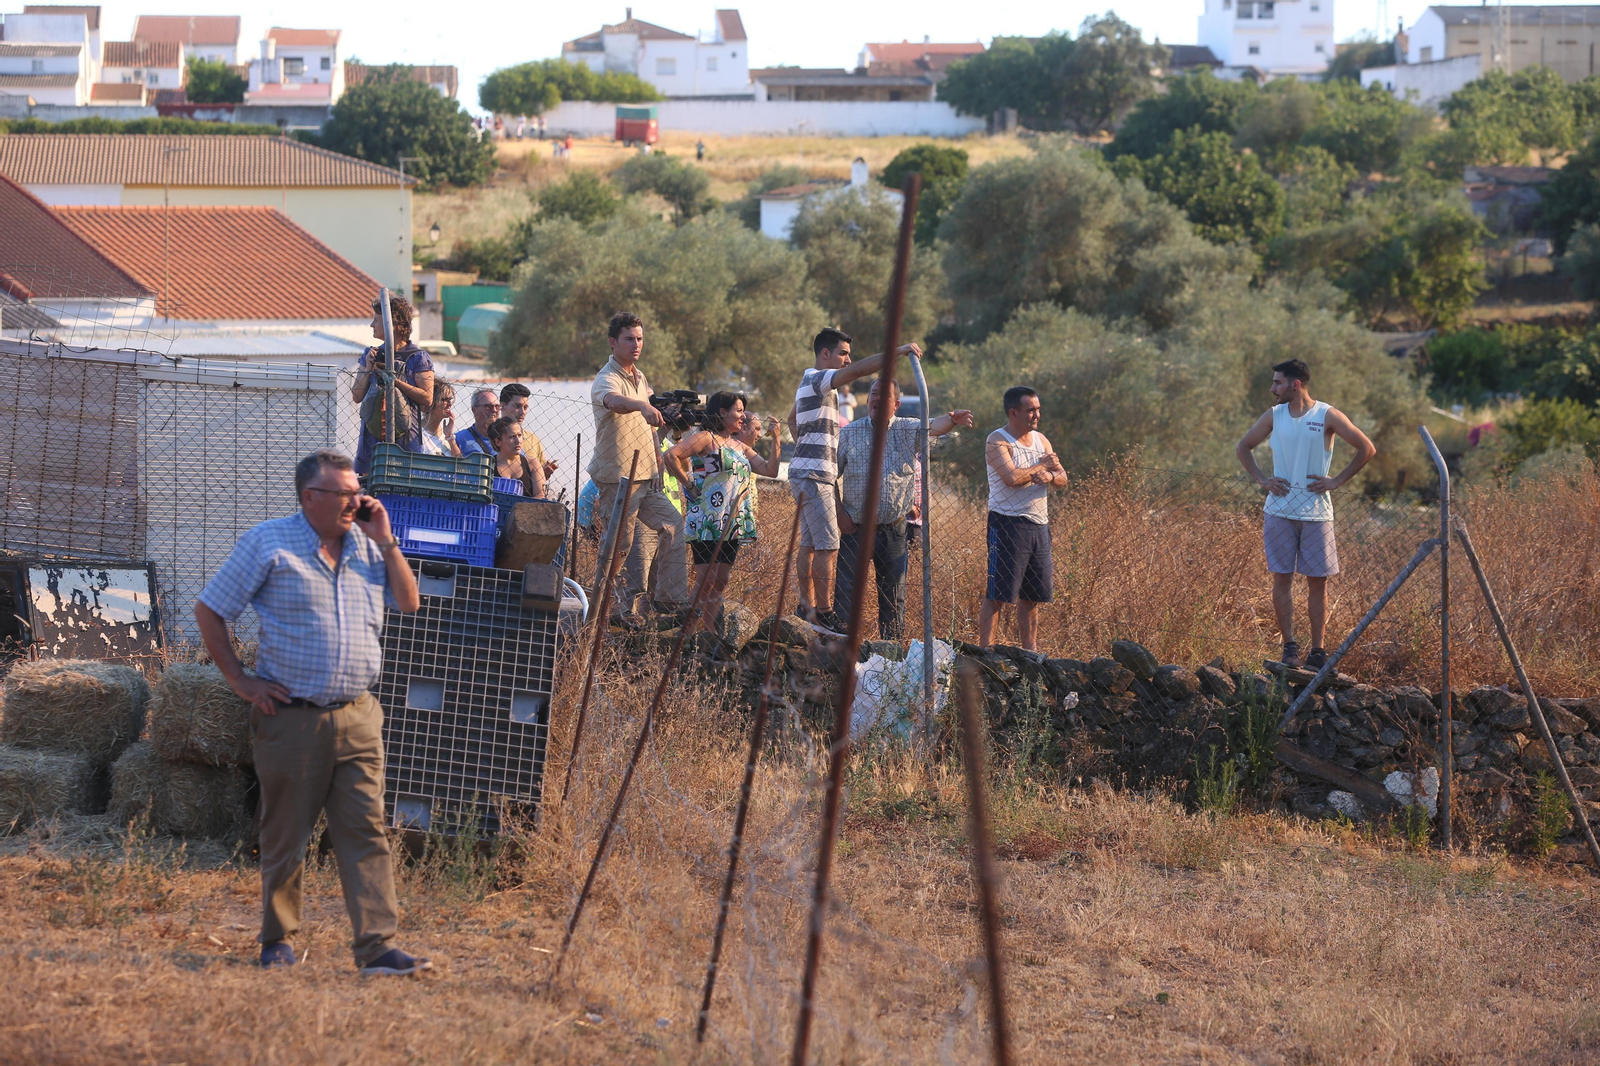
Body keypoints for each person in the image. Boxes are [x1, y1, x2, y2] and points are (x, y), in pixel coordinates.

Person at [192, 449, 427, 976]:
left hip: (360, 715)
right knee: (287, 834)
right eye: (344, 493)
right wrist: (239, 679)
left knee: (365, 831)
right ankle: (278, 941)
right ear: (309, 498)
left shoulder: (368, 544)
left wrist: (386, 537)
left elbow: (410, 602)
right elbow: (210, 609)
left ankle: (377, 947)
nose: (355, 501)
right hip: (292, 717)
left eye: (356, 491)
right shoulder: (268, 543)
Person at [1235, 358, 1377, 670]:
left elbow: (1366, 448)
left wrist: (1337, 480)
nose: (1273, 388)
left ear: (1295, 384)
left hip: (1317, 513)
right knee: (1281, 579)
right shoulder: (1274, 415)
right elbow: (1244, 447)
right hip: (1278, 512)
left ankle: (1317, 652)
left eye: (1277, 382)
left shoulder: (1327, 415)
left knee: (1318, 583)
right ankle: (1289, 647)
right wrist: (1262, 480)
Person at [784, 326, 921, 636]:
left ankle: (805, 606)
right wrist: (896, 352)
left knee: (808, 542)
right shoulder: (819, 379)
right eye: (843, 353)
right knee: (828, 546)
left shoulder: (808, 383)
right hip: (816, 476)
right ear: (825, 354)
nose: (848, 361)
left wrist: (804, 451)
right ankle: (823, 612)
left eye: (848, 355)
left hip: (806, 471)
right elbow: (860, 371)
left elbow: (793, 419)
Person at [834, 379, 972, 640]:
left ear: (896, 404)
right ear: (867, 400)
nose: (876, 399)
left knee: (893, 595)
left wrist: (952, 420)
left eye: (884, 396)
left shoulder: (908, 430)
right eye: (873, 394)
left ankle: (891, 653)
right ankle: (841, 650)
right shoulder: (849, 433)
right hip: (855, 530)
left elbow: (934, 426)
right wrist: (840, 513)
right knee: (846, 593)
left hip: (894, 531)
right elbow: (830, 477)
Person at [588, 311, 684, 624]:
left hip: (646, 476)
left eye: (640, 338)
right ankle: (606, 612)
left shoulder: (639, 378)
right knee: (619, 546)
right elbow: (613, 401)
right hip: (618, 478)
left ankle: (668, 601)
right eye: (630, 338)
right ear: (613, 342)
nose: (636, 344)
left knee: (674, 526)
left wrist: (670, 416)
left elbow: (652, 423)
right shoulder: (608, 377)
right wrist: (642, 405)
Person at [664, 392, 780, 633]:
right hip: (708, 520)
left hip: (733, 522)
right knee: (705, 579)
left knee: (721, 581)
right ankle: (686, 634)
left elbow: (770, 470)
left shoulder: (739, 446)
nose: (743, 417)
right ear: (722, 412)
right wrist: (689, 485)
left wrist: (776, 438)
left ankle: (709, 635)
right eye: (738, 411)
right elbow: (671, 455)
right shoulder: (707, 438)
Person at [978, 386, 1066, 653]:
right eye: (1031, 410)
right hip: (1007, 524)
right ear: (1014, 412)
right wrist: (1042, 467)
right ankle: (986, 653)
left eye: (1038, 409)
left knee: (1031, 598)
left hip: (1039, 525)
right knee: (998, 594)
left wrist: (1051, 476)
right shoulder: (997, 440)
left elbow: (1063, 477)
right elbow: (1012, 478)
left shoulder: (1042, 440)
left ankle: (1030, 653)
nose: (1037, 414)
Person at [349, 295, 433, 475]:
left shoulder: (417, 357)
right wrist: (368, 367)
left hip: (406, 437)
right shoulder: (371, 354)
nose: (372, 325)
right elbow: (356, 396)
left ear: (392, 324)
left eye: (376, 320)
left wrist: (396, 382)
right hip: (374, 434)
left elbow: (427, 397)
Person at [499, 382, 556, 490]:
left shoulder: (533, 439)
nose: (522, 412)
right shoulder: (492, 436)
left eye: (525, 407)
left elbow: (539, 480)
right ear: (502, 406)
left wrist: (544, 473)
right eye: (517, 406)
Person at [488, 416, 538, 497]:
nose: (518, 441)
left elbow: (539, 496)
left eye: (519, 435)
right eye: (512, 437)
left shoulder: (532, 464)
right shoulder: (488, 465)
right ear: (498, 442)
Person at [454, 387, 501, 457]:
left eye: (497, 406)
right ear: (474, 410)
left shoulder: (507, 438)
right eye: (488, 406)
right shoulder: (460, 438)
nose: (494, 410)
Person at [419, 381, 462, 457]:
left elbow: (460, 464)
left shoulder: (446, 434)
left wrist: (450, 437)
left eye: (450, 399)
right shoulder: (418, 433)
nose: (450, 404)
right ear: (432, 402)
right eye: (445, 399)